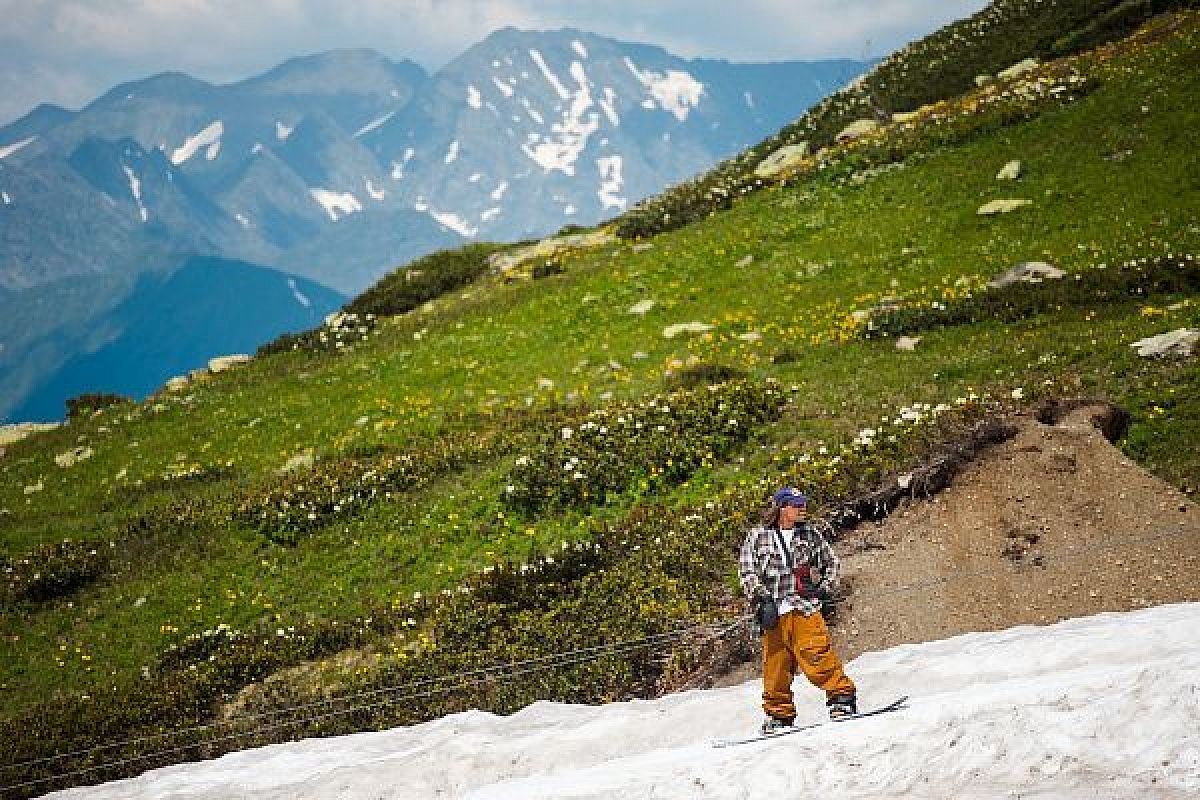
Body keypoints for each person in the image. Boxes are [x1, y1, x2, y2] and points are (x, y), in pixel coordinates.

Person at [738, 486, 857, 732]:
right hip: (773, 613)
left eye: (804, 504)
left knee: (817, 653)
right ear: (782, 508)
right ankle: (779, 714)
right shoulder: (758, 536)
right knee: (775, 666)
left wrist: (824, 588)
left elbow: (831, 562)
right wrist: (762, 599)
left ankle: (841, 698)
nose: (803, 509)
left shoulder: (810, 535)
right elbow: (747, 572)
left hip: (803, 607)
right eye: (797, 505)